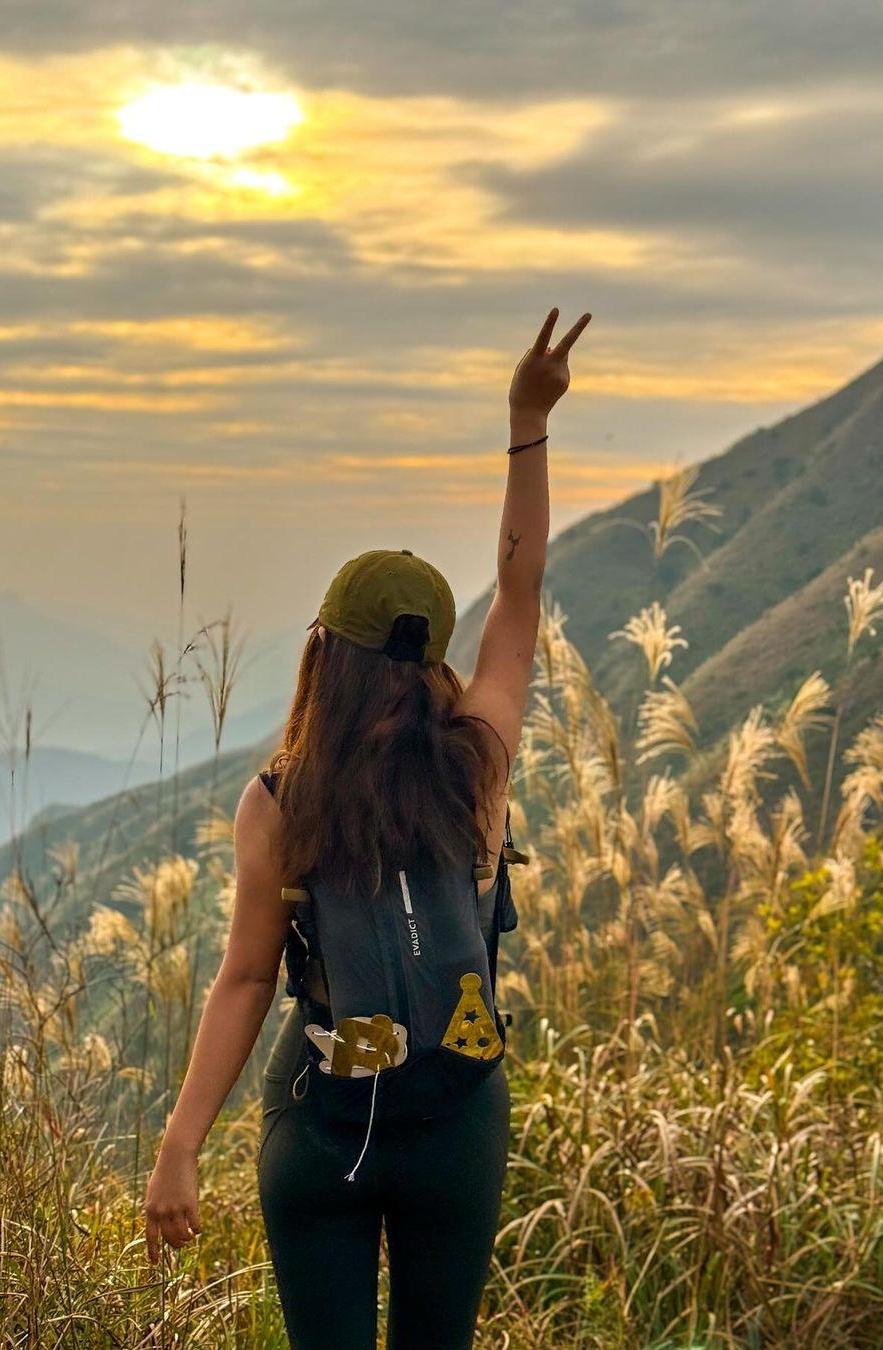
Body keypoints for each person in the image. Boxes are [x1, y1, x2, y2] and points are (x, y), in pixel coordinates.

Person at [143, 307, 592, 1348]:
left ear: (323, 656)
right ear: (435, 651)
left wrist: (181, 1142)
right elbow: (521, 587)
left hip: (321, 1124)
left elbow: (248, 980)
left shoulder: (279, 798)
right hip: (455, 1121)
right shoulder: (480, 759)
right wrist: (527, 420)